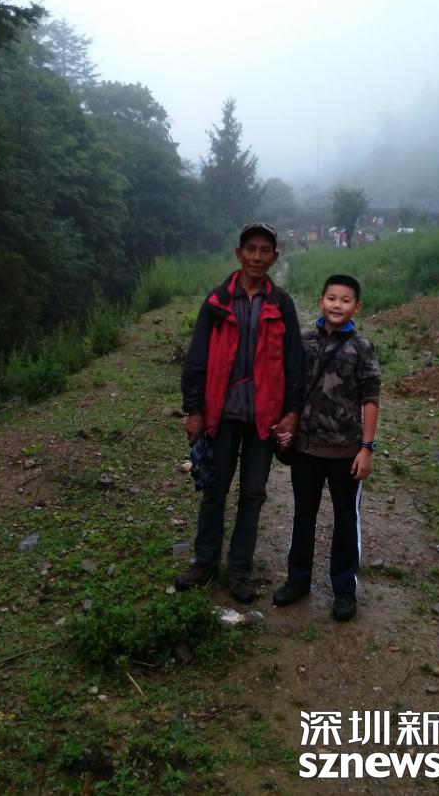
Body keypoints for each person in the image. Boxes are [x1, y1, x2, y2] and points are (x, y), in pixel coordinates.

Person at [176, 223, 304, 604]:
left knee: (252, 494)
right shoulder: (217, 301)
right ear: (238, 253)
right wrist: (194, 409)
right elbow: (197, 358)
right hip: (222, 414)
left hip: (264, 419)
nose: (257, 257)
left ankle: (239, 571)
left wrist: (292, 412)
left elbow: (294, 363)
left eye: (265, 250)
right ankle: (204, 562)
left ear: (275, 257)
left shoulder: (281, 305)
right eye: (251, 249)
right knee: (214, 489)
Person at [272, 274, 381, 621]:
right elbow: (289, 387)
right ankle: (297, 580)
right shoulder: (304, 343)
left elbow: (370, 398)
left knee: (346, 519)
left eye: (345, 300)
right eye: (332, 298)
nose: (337, 305)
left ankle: (344, 589)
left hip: (346, 452)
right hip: (306, 449)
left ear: (356, 306)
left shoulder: (362, 348)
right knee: (303, 515)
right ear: (321, 301)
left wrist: (366, 448)